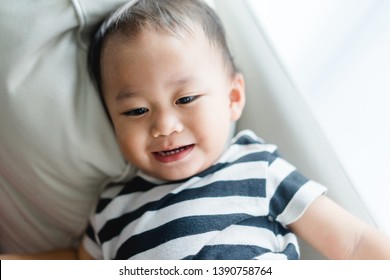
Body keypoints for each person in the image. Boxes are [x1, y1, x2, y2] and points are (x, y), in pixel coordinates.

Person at [3, 0, 390, 260]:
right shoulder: (112, 208)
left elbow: (354, 242)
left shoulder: (259, 168)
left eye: (186, 99)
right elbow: (74, 262)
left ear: (233, 97)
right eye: (136, 110)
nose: (164, 126)